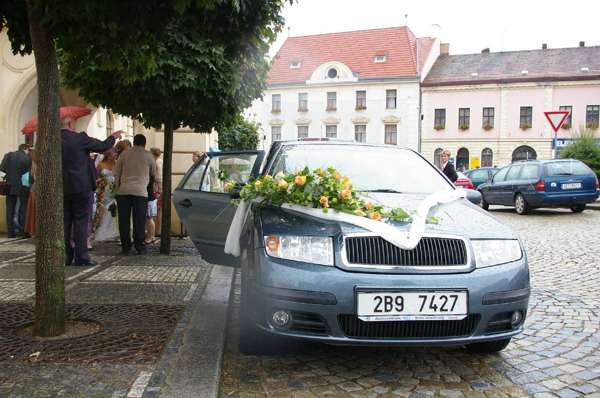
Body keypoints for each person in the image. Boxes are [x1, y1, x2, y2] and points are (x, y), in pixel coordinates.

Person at [61, 117, 122, 266]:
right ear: (70, 124)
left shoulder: (52, 139)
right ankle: (81, 257)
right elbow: (102, 146)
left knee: (65, 221)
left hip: (61, 187)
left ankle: (67, 256)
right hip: (81, 186)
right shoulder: (79, 138)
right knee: (81, 221)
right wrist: (112, 137)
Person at [113, 134, 157, 255]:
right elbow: (153, 174)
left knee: (124, 220)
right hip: (140, 192)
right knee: (139, 220)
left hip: (124, 191)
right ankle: (139, 246)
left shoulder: (124, 154)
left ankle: (125, 246)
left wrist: (117, 188)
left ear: (134, 141)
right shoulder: (149, 155)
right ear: (144, 143)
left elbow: (116, 173)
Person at [0, 144, 31, 237]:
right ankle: (23, 232)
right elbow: (27, 175)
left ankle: (10, 232)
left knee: (10, 209)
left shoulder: (8, 156)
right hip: (23, 186)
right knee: (23, 209)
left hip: (9, 186)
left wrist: (7, 178)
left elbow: (1, 172)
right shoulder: (27, 158)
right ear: (26, 149)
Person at [93, 148, 119, 242]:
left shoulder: (116, 163)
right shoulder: (101, 165)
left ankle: (114, 232)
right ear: (108, 154)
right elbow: (96, 178)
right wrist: (101, 182)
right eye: (113, 153)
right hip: (104, 190)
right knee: (105, 209)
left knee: (113, 209)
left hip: (114, 189)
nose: (115, 154)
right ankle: (104, 232)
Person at [145, 147, 162, 243]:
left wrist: (159, 190)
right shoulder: (154, 163)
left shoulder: (155, 163)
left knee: (149, 217)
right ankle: (151, 234)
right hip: (151, 192)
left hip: (151, 193)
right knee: (149, 216)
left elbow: (157, 179)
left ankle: (151, 236)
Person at [24, 149, 37, 237]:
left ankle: (33, 231)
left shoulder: (33, 165)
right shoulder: (38, 164)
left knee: (33, 212)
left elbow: (30, 178)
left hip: (34, 189)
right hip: (37, 189)